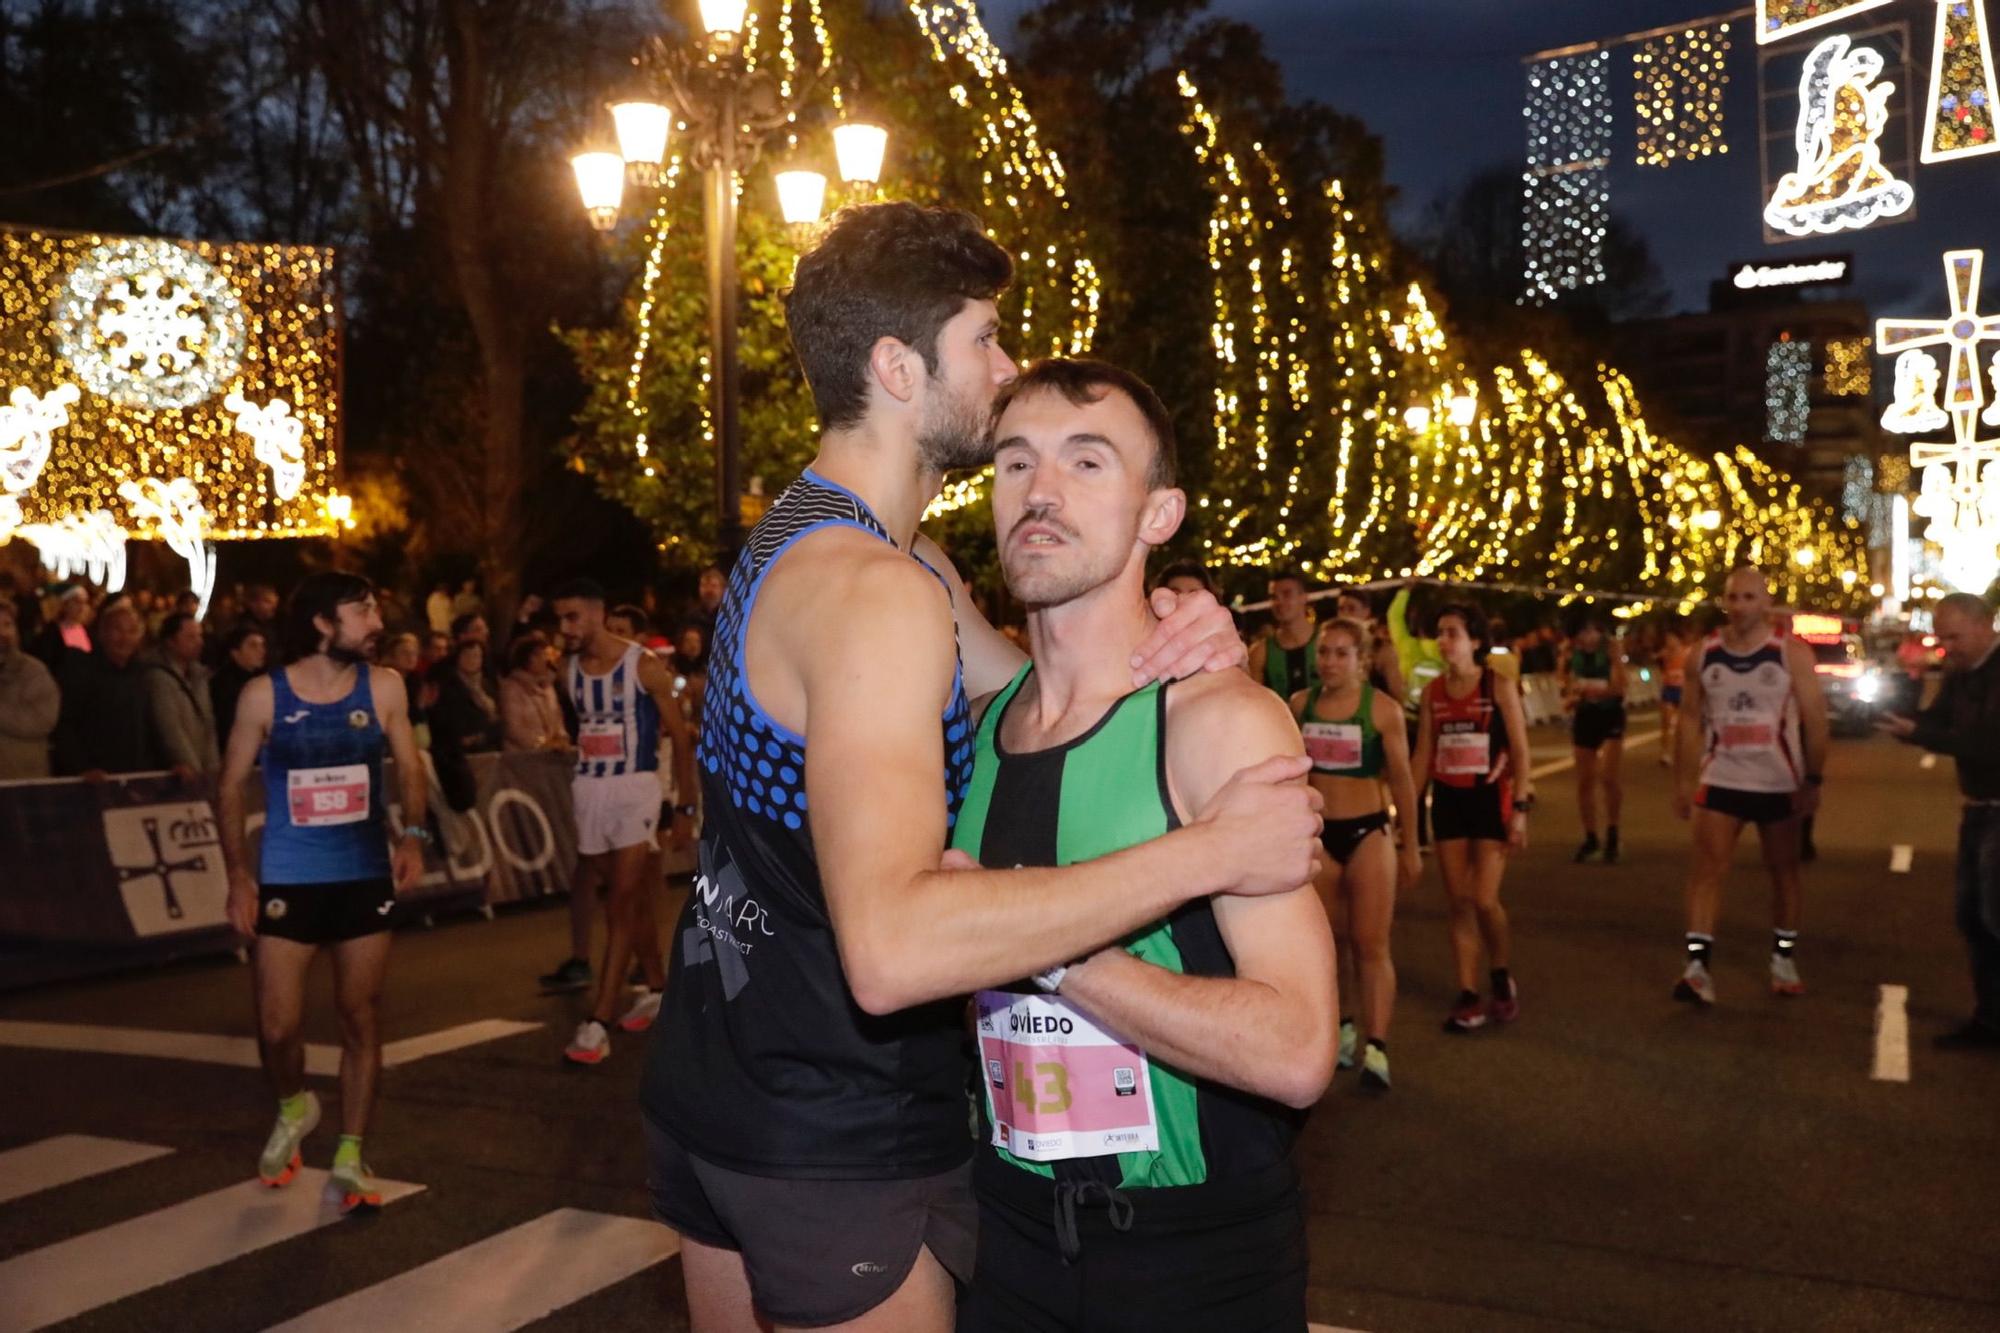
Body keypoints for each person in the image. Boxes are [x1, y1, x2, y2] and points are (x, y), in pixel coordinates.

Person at [641, 202, 1284, 1333]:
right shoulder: (881, 592)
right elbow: (891, 952)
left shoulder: (829, 541)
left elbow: (1031, 684)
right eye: (985, 339)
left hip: (720, 1099)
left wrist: (1186, 621)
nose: (1009, 364)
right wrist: (1209, 851)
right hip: (840, 1137)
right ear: (897, 367)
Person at [955, 358, 1335, 1329]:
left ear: (1157, 515)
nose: (1040, 491)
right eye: (1014, 463)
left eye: (1087, 463)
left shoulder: (1216, 723)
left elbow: (1297, 1049)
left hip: (1192, 1258)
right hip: (1005, 1236)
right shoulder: (975, 725)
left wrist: (1041, 943)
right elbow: (870, 513)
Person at [215, 573, 427, 1213]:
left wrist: (412, 835)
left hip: (363, 874)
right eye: (361, 608)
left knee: (360, 1015)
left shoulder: (385, 686)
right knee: (278, 1025)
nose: (375, 617)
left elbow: (411, 768)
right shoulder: (264, 696)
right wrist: (238, 876)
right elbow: (228, 788)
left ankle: (351, 1151)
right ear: (321, 624)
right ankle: (292, 1106)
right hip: (289, 877)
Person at [1672, 566, 1828, 1005]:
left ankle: (1783, 957)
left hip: (1777, 781)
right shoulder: (1703, 653)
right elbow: (1688, 719)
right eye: (1732, 598)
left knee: (1783, 872)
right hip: (1721, 776)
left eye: (1747, 597)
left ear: (1765, 601)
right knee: (1706, 871)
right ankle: (1697, 968)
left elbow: (1815, 719)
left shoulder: (1789, 653)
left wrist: (1813, 778)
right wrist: (1684, 780)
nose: (1738, 606)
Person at [555, 579, 695, 1065]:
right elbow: (583, 731)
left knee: (619, 903)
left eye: (572, 617)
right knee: (620, 896)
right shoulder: (566, 670)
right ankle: (657, 986)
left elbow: (679, 738)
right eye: (559, 620)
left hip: (634, 789)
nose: (564, 628)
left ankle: (598, 1021)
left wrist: (685, 808)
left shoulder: (643, 666)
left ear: (597, 613)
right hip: (589, 788)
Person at [1292, 616, 1420, 1091]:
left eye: (1342, 653)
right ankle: (1341, 1027)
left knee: (1370, 943)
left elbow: (1403, 780)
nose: (1330, 662)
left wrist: (1410, 843)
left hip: (1369, 833)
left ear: (1362, 661)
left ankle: (1378, 1046)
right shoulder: (1300, 706)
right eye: (1324, 652)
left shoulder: (1382, 710)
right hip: (1322, 835)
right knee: (1329, 944)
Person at [1877, 592, 2000, 1049]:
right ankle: (1989, 1019)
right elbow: (1940, 720)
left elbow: (1983, 742)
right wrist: (1898, 717)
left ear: (1985, 625)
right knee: (1972, 917)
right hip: (1978, 807)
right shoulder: (1961, 673)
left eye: (1955, 636)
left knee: (1993, 915)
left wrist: (1922, 733)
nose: (1948, 646)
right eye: (1942, 636)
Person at [1413, 603, 1534, 1032]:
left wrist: (1520, 808)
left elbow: (1520, 750)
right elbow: (1423, 756)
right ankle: (1467, 992)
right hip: (1448, 800)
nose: (1443, 641)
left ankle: (1500, 973)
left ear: (1475, 641)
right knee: (1458, 902)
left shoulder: (1496, 686)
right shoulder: (1433, 694)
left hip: (1490, 799)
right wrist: (1408, 814)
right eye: (1440, 633)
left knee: (1484, 899)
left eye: (1453, 633)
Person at [51, 599, 158, 777]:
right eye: (117, 630)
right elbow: (65, 725)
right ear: (102, 633)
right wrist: (82, 767)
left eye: (132, 631)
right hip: (93, 778)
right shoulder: (81, 671)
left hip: (134, 776)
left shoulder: (143, 675)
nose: (125, 638)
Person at [1561, 617, 1628, 863]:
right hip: (1585, 716)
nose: (1589, 637)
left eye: (1593, 630)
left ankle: (1613, 832)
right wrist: (1571, 696)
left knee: (1609, 777)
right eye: (1583, 632)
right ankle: (1590, 837)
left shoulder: (1611, 650)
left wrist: (1596, 690)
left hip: (1610, 715)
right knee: (1584, 781)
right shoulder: (1570, 653)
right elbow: (1566, 685)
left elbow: (1620, 687)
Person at [147, 610, 220, 777]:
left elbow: (208, 723)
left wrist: (212, 769)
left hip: (202, 772)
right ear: (171, 642)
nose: (199, 642)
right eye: (191, 637)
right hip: (183, 775)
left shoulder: (200, 677)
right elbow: (170, 729)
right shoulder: (158, 679)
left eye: (200, 636)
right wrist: (194, 770)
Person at [0, 599, 59, 780]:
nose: (2, 633)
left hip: (21, 781)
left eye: (7, 625)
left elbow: (43, 719)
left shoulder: (33, 671)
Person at [1248, 570, 1318, 698]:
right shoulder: (1260, 652)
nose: (1279, 602)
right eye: (1274, 597)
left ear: (1304, 597)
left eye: (1287, 594)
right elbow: (1255, 699)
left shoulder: (1326, 641)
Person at [1335, 585, 1408, 703]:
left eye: (1351, 609)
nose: (1345, 614)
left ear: (1366, 611)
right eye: (1341, 609)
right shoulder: (1334, 647)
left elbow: (1398, 694)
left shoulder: (1382, 649)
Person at [500, 633, 567, 752]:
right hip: (522, 759)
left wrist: (562, 739)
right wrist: (542, 744)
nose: (545, 660)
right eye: (540, 655)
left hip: (551, 757)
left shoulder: (548, 687)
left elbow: (558, 719)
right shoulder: (512, 688)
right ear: (528, 658)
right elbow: (514, 729)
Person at [211, 622, 268, 748]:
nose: (261, 650)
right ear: (235, 652)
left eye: (262, 645)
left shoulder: (261, 680)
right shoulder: (224, 685)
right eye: (253, 646)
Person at [33, 584, 91, 668]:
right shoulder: (51, 634)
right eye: (77, 602)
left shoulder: (88, 633)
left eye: (84, 603)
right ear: (65, 604)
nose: (82, 607)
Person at [1659, 622, 1690, 769]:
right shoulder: (1664, 654)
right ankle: (1665, 753)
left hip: (1683, 692)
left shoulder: (1688, 652)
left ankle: (1682, 753)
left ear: (1679, 639)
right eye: (1667, 639)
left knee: (1682, 725)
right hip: (1669, 690)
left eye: (1672, 638)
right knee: (1666, 722)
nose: (1669, 641)